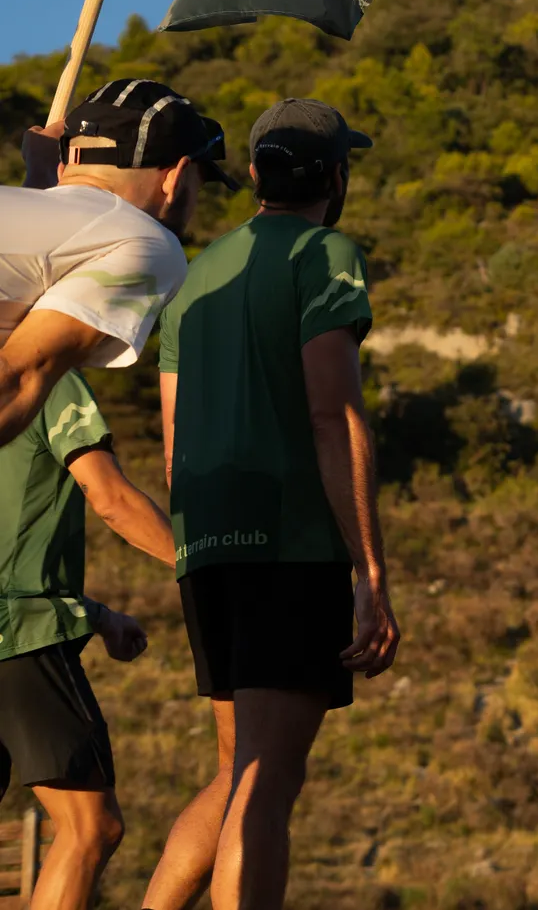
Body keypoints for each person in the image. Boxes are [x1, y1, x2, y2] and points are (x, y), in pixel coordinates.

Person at [142, 99, 400, 910]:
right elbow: (334, 413)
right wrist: (369, 570)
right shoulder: (325, 255)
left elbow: (175, 443)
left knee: (237, 770)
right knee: (268, 778)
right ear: (337, 177)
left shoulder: (196, 276)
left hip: (208, 548)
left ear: (254, 174)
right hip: (287, 546)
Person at [1, 369, 176, 910]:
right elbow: (111, 500)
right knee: (90, 827)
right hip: (18, 640)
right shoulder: (46, 380)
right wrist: (201, 565)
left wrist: (97, 615)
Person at [2, 79, 234, 446]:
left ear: (63, 169)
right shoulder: (146, 241)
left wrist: (37, 176)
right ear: (176, 177)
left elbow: (38, 264)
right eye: (199, 185)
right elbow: (19, 378)